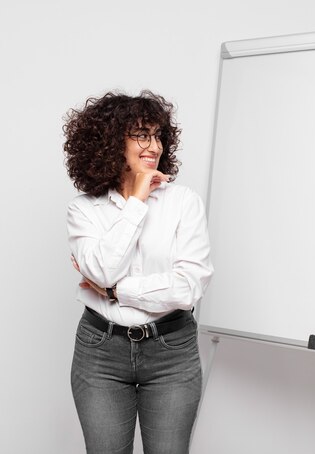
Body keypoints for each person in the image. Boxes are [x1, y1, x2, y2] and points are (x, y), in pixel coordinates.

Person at [63, 90, 213, 454]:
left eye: (158, 135)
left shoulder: (184, 202)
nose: (154, 145)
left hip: (171, 351)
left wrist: (116, 292)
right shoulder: (84, 210)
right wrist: (137, 202)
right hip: (100, 352)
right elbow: (100, 269)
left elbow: (188, 288)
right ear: (112, 143)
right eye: (142, 135)